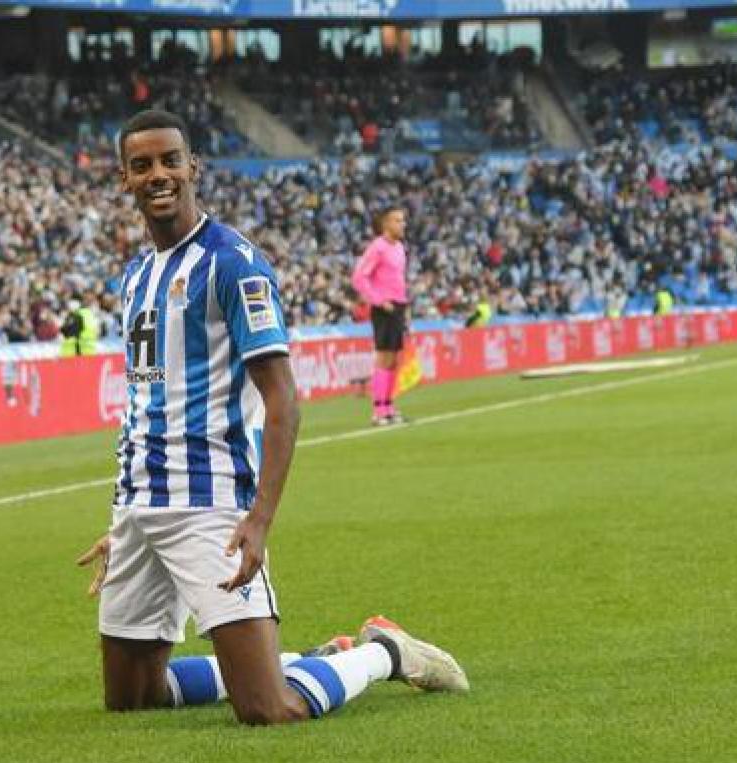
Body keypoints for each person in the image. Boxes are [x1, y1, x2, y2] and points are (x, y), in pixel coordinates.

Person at [75, 109, 468, 728]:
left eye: (170, 160)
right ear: (124, 178)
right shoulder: (135, 277)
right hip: (138, 507)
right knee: (132, 696)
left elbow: (282, 398)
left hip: (210, 507)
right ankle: (297, 658)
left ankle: (381, 652)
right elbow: (148, 401)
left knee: (267, 708)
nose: (159, 174)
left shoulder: (233, 263)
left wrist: (258, 519)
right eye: (142, 164)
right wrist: (127, 514)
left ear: (192, 167)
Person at [352, 207, 409, 426]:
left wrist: (405, 306)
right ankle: (378, 410)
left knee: (394, 358)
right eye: (397, 220)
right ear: (386, 225)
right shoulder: (378, 248)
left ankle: (389, 405)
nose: (402, 224)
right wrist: (378, 300)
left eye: (403, 220)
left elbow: (398, 279)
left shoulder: (399, 248)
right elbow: (359, 277)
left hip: (398, 306)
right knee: (384, 356)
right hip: (384, 308)